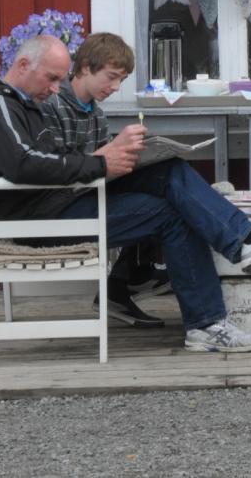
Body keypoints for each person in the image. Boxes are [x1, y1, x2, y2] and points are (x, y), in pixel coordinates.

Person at [0, 34, 251, 352]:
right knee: (174, 212)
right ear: (22, 64)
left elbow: (49, 161)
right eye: (52, 78)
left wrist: (120, 160)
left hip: (65, 201)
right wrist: (102, 162)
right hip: (43, 221)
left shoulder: (23, 104)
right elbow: (25, 165)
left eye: (58, 80)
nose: (55, 88)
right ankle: (207, 322)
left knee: (169, 172)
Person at [42, 32, 166, 328]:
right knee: (160, 207)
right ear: (84, 67)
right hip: (66, 206)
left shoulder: (95, 114)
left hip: (92, 195)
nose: (115, 87)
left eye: (121, 80)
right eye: (111, 77)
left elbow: (104, 165)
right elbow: (58, 170)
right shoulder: (53, 106)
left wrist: (134, 158)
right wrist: (112, 152)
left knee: (161, 185)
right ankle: (134, 278)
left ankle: (130, 279)